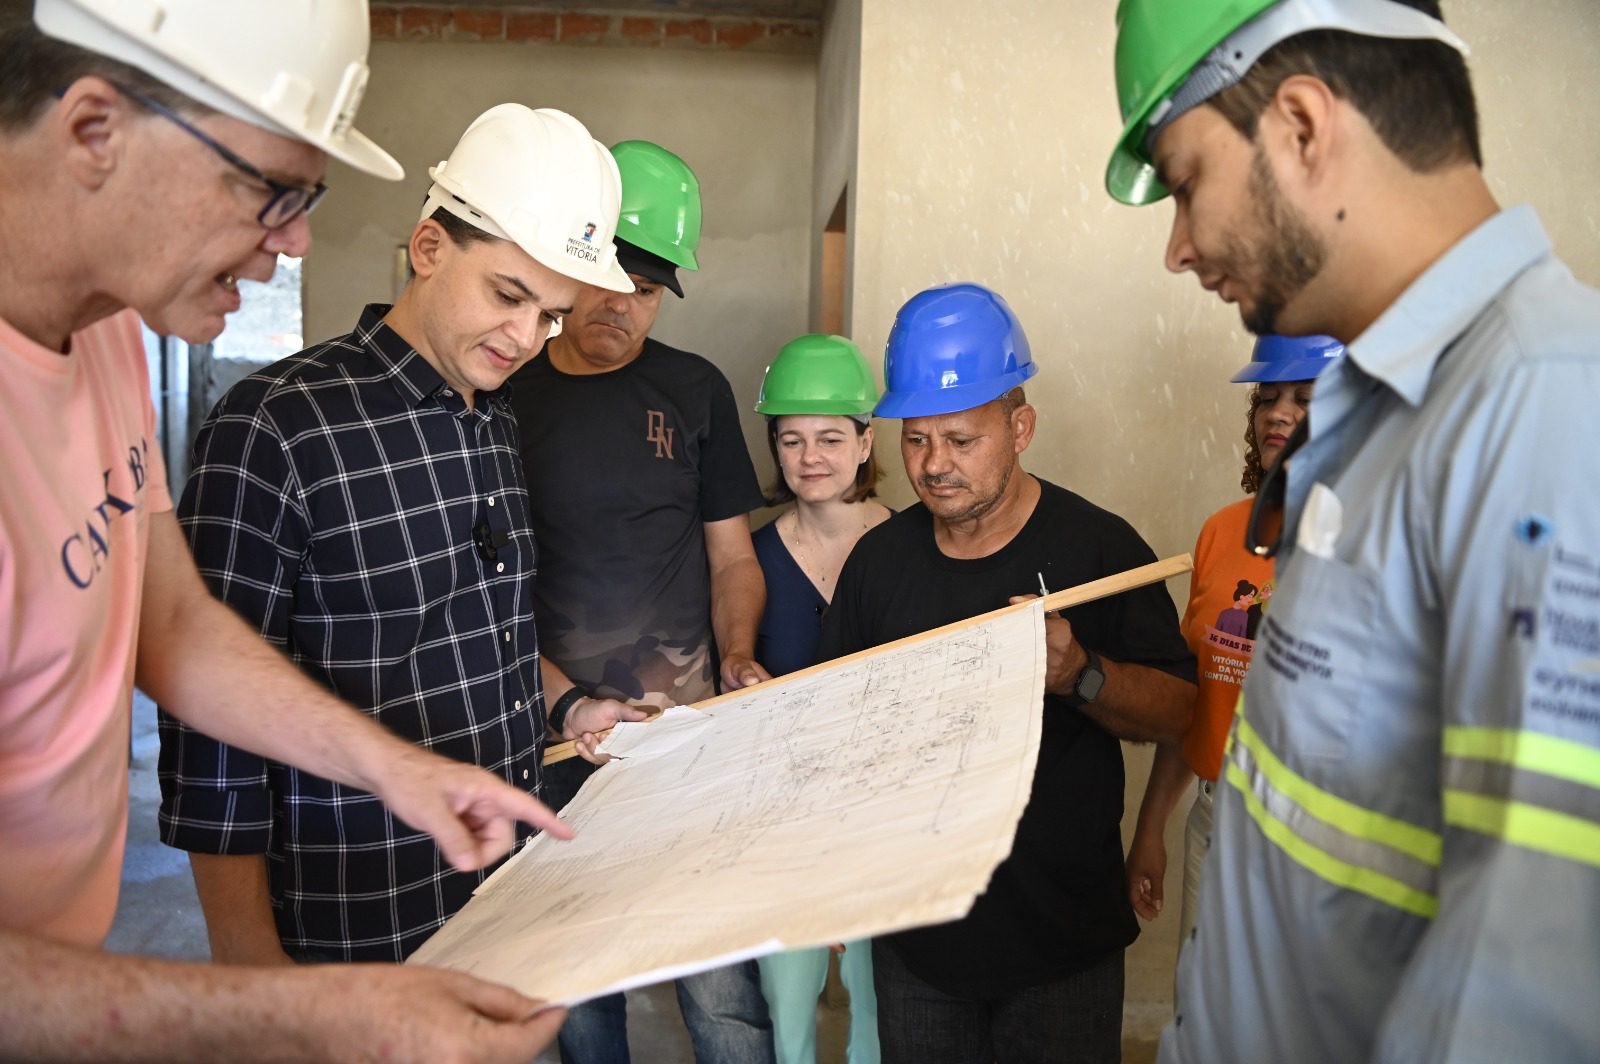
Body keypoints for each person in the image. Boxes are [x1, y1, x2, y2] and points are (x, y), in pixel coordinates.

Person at [0, 1, 576, 1059]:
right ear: (94, 130)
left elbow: (173, 620)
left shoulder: (107, 335)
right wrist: (288, 1006)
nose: (296, 242)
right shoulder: (272, 421)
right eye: (269, 191)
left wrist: (394, 766)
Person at [1106, 1, 1600, 1060]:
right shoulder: (1376, 414)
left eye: (1186, 181)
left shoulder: (1549, 412)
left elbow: (1535, 986)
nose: (1177, 247)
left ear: (1299, 125)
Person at [158, 104, 649, 966]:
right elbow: (210, 732)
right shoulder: (276, 427)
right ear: (429, 248)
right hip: (356, 921)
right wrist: (250, 968)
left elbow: (486, 631)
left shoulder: (495, 417)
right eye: (508, 295)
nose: (526, 338)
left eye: (552, 315)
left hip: (505, 893)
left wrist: (571, 704)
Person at [818, 283, 1197, 1064]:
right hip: (917, 941)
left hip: (1065, 941)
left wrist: (1080, 672)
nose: (934, 465)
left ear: (1020, 427)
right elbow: (837, 728)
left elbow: (1181, 715)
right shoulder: (878, 564)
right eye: (916, 441)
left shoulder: (1101, 551)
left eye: (961, 440)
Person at [508, 139, 774, 1063]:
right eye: (607, 274)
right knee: (577, 993)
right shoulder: (505, 398)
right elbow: (482, 593)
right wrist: (559, 699)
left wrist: (737, 652)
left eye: (649, 287)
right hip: (552, 737)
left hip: (679, 738)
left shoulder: (695, 391)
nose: (623, 304)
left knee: (721, 989)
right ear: (563, 263)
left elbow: (734, 559)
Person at [1125, 334, 1342, 946]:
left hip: (1326, 833)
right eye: (1267, 397)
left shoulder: (1381, 540)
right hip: (1218, 820)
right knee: (1204, 1020)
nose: (1279, 411)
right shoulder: (1222, 533)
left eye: (1306, 398)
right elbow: (1195, 698)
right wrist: (1151, 830)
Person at [750, 334, 890, 1064]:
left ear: (867, 441)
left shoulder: (911, 548)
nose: (811, 457)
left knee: (881, 1007)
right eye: (792, 439)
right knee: (789, 1010)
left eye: (832, 437)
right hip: (785, 818)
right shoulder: (750, 557)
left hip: (885, 815)